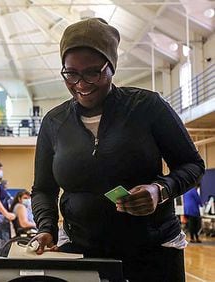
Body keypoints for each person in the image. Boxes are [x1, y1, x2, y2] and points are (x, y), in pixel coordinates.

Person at [30, 18, 205, 282]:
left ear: (111, 67)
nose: (81, 83)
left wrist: (161, 190)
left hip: (152, 252)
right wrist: (46, 229)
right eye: (71, 73)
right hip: (81, 252)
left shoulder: (147, 107)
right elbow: (43, 189)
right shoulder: (55, 122)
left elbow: (193, 166)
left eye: (92, 72)